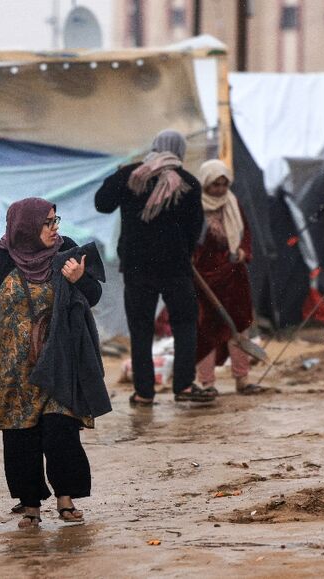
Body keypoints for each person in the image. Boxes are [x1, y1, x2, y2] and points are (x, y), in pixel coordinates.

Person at [0, 198, 107, 529]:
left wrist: (78, 279)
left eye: (55, 220)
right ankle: (30, 505)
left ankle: (66, 499)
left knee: (61, 432)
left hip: (60, 361)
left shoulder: (67, 251)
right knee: (21, 438)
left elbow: (93, 295)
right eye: (48, 222)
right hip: (14, 368)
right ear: (26, 226)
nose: (55, 227)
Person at [95, 129, 214, 405]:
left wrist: (118, 177)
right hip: (176, 268)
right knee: (184, 325)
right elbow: (195, 230)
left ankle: (144, 392)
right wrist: (180, 250)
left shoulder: (131, 175)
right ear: (179, 151)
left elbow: (102, 204)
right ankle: (184, 386)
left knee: (141, 329)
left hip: (137, 268)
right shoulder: (188, 183)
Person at [193, 160, 262, 395]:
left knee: (239, 326)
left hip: (234, 276)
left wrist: (243, 250)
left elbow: (246, 233)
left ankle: (242, 379)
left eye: (224, 184)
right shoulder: (195, 207)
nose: (220, 190)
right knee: (206, 330)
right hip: (206, 279)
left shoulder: (232, 203)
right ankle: (207, 383)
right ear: (205, 184)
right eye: (215, 185)